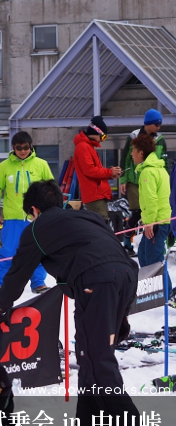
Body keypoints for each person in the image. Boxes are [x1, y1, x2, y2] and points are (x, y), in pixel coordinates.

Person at [0, 180, 144, 426]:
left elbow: (17, 273)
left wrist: (3, 305)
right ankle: (91, 425)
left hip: (96, 282)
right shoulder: (86, 216)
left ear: (34, 210)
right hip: (125, 276)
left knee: (97, 358)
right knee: (87, 353)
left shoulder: (37, 229)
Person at [0, 131, 53, 295]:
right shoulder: (4, 166)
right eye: (19, 148)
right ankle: (1, 283)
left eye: (26, 147)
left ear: (31, 147)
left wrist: (52, 211)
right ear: (13, 148)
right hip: (13, 217)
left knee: (37, 250)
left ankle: (38, 283)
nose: (23, 151)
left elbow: (51, 189)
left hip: (36, 218)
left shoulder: (41, 164)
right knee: (8, 251)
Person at [119, 109, 167, 256]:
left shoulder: (160, 139)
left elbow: (164, 161)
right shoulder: (133, 137)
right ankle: (127, 240)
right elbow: (125, 158)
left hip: (153, 178)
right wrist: (123, 179)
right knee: (138, 210)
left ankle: (154, 240)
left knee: (150, 209)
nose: (159, 128)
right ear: (148, 124)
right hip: (135, 180)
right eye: (156, 125)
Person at [131, 134, 172, 293]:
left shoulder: (149, 172)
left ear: (141, 152)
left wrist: (150, 223)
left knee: (154, 260)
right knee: (143, 255)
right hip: (158, 221)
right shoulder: (159, 169)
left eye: (133, 150)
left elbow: (152, 200)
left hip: (157, 222)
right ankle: (154, 291)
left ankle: (168, 295)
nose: (131, 154)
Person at [72, 116, 122, 223]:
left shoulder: (87, 147)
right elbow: (90, 170)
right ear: (97, 133)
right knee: (101, 224)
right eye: (103, 137)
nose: (103, 140)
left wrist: (110, 174)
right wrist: (109, 172)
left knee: (101, 224)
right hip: (94, 195)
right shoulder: (83, 147)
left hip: (97, 194)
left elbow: (94, 171)